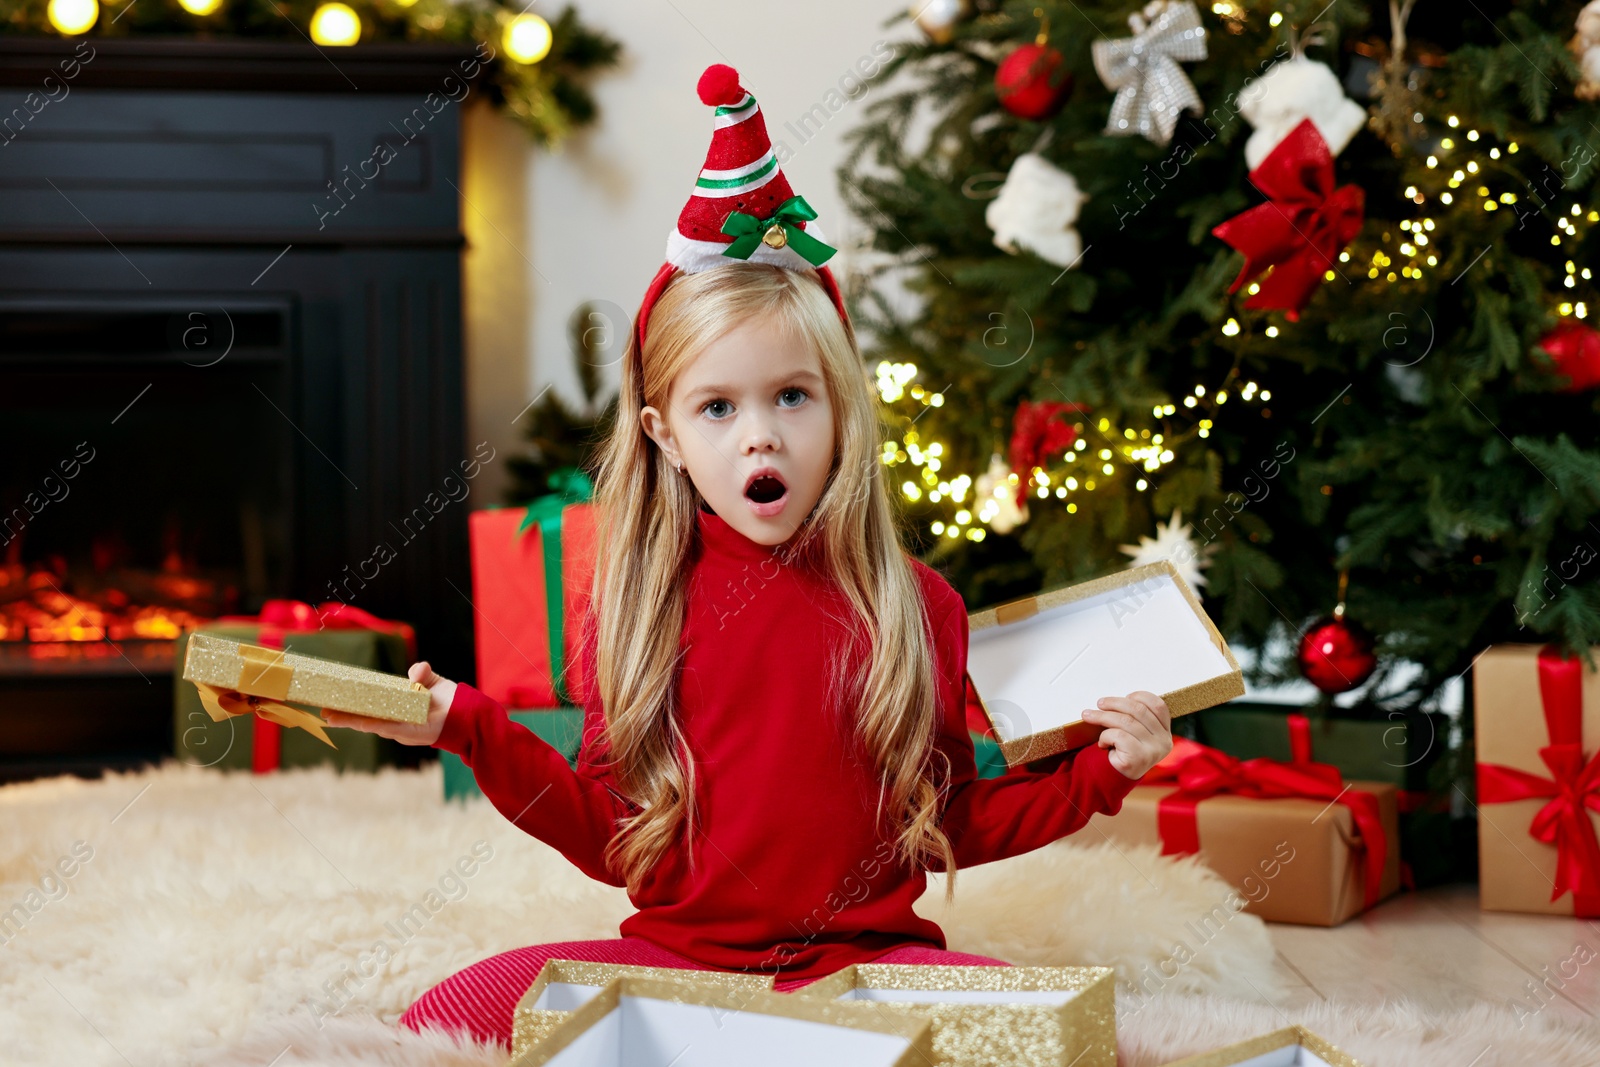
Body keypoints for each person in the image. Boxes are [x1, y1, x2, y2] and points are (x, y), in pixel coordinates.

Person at [324, 63, 1172, 1050]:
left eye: (791, 397)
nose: (758, 437)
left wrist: (1104, 773)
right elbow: (609, 832)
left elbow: (954, 819)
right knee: (449, 1013)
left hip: (870, 965)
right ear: (665, 433)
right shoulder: (640, 607)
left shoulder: (915, 604)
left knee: (1057, 1030)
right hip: (681, 964)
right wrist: (466, 723)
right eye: (717, 408)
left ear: (840, 409)